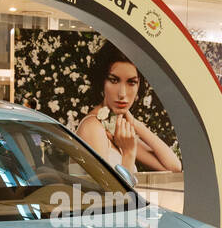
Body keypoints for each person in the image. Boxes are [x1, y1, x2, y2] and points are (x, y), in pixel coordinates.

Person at [76, 44, 181, 172]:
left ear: (139, 84)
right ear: (102, 82)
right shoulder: (92, 128)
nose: (122, 94)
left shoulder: (115, 127)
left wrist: (136, 124)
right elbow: (109, 192)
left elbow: (174, 167)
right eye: (114, 80)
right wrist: (128, 153)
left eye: (131, 82)